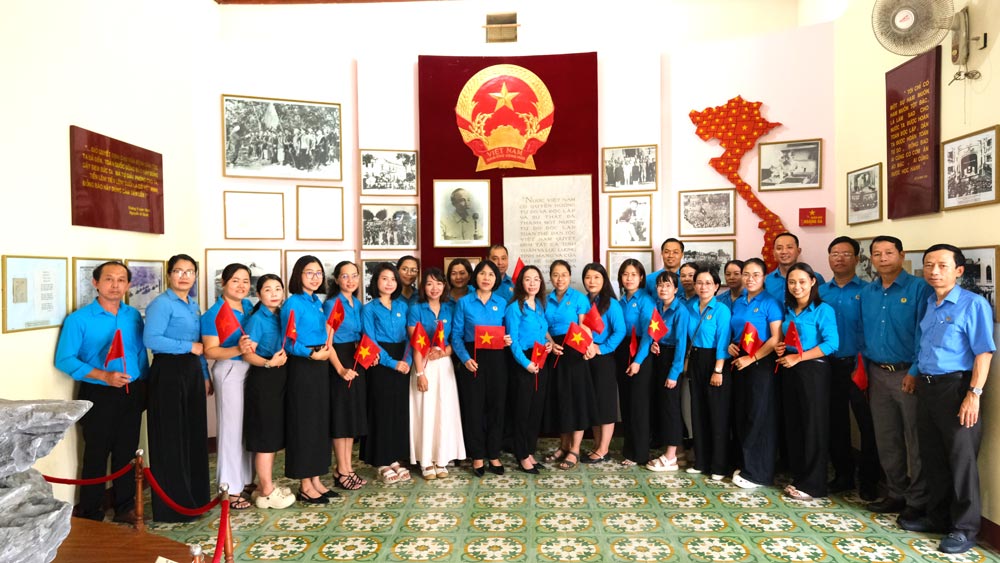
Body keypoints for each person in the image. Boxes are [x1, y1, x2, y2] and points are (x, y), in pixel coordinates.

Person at [900, 244, 994, 554]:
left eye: (942, 265)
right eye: (929, 265)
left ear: (959, 271)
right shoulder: (930, 301)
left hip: (956, 388)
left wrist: (973, 394)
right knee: (933, 457)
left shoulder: (973, 304)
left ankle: (965, 529)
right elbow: (924, 345)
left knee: (961, 460)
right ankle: (937, 517)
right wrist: (914, 373)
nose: (934, 271)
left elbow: (983, 352)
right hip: (927, 387)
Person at [55, 261, 148, 524]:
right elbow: (64, 360)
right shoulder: (79, 319)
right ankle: (90, 512)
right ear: (95, 283)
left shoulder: (132, 316)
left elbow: (140, 354)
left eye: (121, 280)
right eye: (109, 279)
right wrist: (104, 376)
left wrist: (145, 386)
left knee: (127, 452)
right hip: (98, 393)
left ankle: (125, 507)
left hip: (131, 391)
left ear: (128, 285)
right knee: (96, 454)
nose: (115, 285)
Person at [860, 235, 932, 519]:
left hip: (908, 373)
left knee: (915, 439)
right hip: (877, 372)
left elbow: (925, 333)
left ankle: (918, 500)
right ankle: (895, 492)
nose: (883, 258)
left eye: (889, 252)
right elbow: (862, 331)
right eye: (877, 253)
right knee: (886, 437)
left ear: (902, 255)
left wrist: (914, 371)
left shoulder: (919, 288)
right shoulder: (868, 291)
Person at [143, 254, 210, 522]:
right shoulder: (161, 304)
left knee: (193, 434)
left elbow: (200, 345)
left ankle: (195, 500)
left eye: (189, 271)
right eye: (178, 271)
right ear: (169, 275)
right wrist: (187, 347)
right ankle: (173, 507)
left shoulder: (193, 304)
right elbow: (151, 339)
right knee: (171, 437)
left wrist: (204, 374)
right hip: (168, 371)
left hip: (191, 371)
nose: (184, 276)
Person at [819, 237, 879, 500]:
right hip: (828, 365)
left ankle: (869, 480)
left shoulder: (869, 291)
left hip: (859, 366)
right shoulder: (820, 292)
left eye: (846, 254)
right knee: (835, 422)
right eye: (835, 253)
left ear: (856, 258)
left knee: (868, 423)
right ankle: (843, 475)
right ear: (829, 258)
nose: (839, 258)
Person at [775, 262, 838, 500]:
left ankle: (814, 485)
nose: (797, 287)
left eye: (802, 281)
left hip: (813, 370)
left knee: (813, 426)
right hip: (790, 368)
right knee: (795, 425)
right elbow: (790, 338)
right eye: (792, 282)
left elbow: (832, 344)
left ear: (813, 282)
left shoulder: (823, 309)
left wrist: (798, 357)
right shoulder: (789, 309)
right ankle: (800, 478)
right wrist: (783, 347)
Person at [281, 256, 336, 503]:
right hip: (303, 365)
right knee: (304, 424)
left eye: (318, 273)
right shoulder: (292, 303)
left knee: (318, 423)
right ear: (298, 275)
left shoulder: (316, 302)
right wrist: (312, 354)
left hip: (319, 363)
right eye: (309, 273)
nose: (315, 277)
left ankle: (316, 479)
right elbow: (288, 342)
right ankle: (305, 484)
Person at [200, 264, 254, 510]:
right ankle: (229, 488)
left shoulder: (249, 307)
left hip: (251, 368)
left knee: (247, 428)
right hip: (230, 370)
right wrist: (237, 349)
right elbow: (210, 350)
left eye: (245, 281)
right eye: (235, 280)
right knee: (231, 431)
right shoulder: (214, 314)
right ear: (223, 283)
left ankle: (246, 480)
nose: (241, 285)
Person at [240, 274, 295, 509]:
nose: (274, 294)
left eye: (278, 289)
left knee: (272, 435)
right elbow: (247, 354)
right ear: (258, 294)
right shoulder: (257, 319)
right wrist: (269, 363)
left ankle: (265, 486)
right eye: (268, 290)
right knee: (265, 436)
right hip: (264, 378)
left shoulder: (281, 315)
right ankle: (266, 491)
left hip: (279, 377)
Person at [727, 258, 782, 488]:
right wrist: (731, 345)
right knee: (743, 413)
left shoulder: (771, 302)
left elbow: (776, 338)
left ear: (764, 277)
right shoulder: (739, 301)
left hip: (761, 363)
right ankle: (745, 465)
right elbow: (735, 331)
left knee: (759, 416)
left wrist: (752, 358)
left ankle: (759, 473)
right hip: (739, 361)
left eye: (756, 274)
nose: (750, 279)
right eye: (746, 274)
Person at [452, 260, 511, 476]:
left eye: (491, 275)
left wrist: (507, 340)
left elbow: (509, 332)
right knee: (474, 408)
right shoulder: (464, 303)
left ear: (496, 279)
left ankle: (493, 453)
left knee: (497, 407)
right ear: (475, 276)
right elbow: (456, 335)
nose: (486, 278)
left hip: (497, 359)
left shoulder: (502, 302)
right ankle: (477, 455)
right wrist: (465, 358)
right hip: (472, 358)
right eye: (482, 273)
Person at [408, 268, 466, 479]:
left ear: (444, 286)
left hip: (444, 364)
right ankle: (425, 461)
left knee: (444, 411)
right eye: (430, 284)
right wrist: (420, 374)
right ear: (423, 287)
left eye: (439, 283)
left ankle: (441, 458)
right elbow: (415, 344)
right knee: (425, 411)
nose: (435, 288)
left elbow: (456, 339)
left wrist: (445, 352)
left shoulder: (451, 307)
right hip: (424, 364)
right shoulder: (416, 309)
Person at [361, 263, 412, 484]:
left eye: (393, 279)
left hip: (403, 359)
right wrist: (392, 363)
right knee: (380, 411)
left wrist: (407, 360)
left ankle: (394, 458)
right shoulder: (369, 309)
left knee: (397, 411)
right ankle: (381, 461)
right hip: (380, 363)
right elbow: (370, 340)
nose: (389, 283)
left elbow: (411, 336)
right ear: (376, 282)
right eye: (384, 278)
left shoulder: (403, 306)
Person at [542, 260, 595, 471]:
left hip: (575, 351)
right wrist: (550, 343)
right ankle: (563, 446)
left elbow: (585, 326)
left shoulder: (579, 298)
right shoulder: (545, 299)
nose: (560, 279)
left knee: (576, 400)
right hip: (555, 351)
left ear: (570, 276)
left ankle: (574, 449)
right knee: (560, 399)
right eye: (555, 275)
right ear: (550, 277)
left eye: (564, 274)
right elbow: (543, 326)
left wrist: (587, 347)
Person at [685, 266, 732, 481]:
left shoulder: (721, 310)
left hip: (715, 362)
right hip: (695, 359)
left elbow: (723, 341)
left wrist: (718, 369)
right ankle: (701, 462)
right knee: (698, 411)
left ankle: (719, 466)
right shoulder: (690, 307)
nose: (703, 287)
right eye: (699, 283)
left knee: (717, 415)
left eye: (708, 283)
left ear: (716, 286)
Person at [504, 265, 552, 474]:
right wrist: (526, 364)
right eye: (527, 279)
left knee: (536, 410)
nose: (532, 283)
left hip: (540, 359)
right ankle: (522, 455)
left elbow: (542, 333)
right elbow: (513, 341)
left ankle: (530, 451)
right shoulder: (514, 308)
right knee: (522, 411)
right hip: (523, 362)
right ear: (520, 283)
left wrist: (548, 345)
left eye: (536, 279)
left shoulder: (540, 305)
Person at [325, 261, 368, 490]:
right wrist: (340, 369)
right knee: (341, 417)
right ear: (336, 279)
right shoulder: (334, 304)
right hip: (339, 360)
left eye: (354, 276)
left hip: (355, 358)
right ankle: (341, 470)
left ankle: (347, 468)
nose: (350, 280)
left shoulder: (357, 304)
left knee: (351, 417)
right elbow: (327, 342)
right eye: (345, 276)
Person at [580, 263, 625, 464]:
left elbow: (620, 331)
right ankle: (597, 445)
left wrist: (602, 348)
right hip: (585, 356)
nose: (592, 281)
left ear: (604, 280)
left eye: (596, 277)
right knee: (593, 403)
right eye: (588, 277)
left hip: (603, 359)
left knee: (605, 404)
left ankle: (604, 449)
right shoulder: (583, 301)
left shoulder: (611, 304)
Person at [646, 270, 689, 472]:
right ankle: (678, 452)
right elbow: (656, 333)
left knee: (671, 407)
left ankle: (670, 458)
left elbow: (681, 344)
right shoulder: (657, 306)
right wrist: (655, 344)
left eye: (668, 285)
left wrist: (674, 373)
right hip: (659, 356)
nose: (663, 289)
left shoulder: (681, 310)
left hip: (673, 360)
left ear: (676, 289)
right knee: (662, 405)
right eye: (660, 285)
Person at [615, 259, 656, 467]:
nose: (629, 278)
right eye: (625, 274)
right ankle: (628, 449)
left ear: (641, 278)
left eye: (633, 274)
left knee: (639, 405)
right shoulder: (620, 301)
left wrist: (638, 361)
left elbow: (649, 334)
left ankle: (640, 453)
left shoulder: (646, 301)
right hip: (623, 351)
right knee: (626, 402)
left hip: (641, 352)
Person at [765, 232, 826, 301]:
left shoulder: (815, 277)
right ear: (773, 253)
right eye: (779, 248)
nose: (784, 252)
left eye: (789, 247)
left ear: (798, 251)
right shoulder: (768, 280)